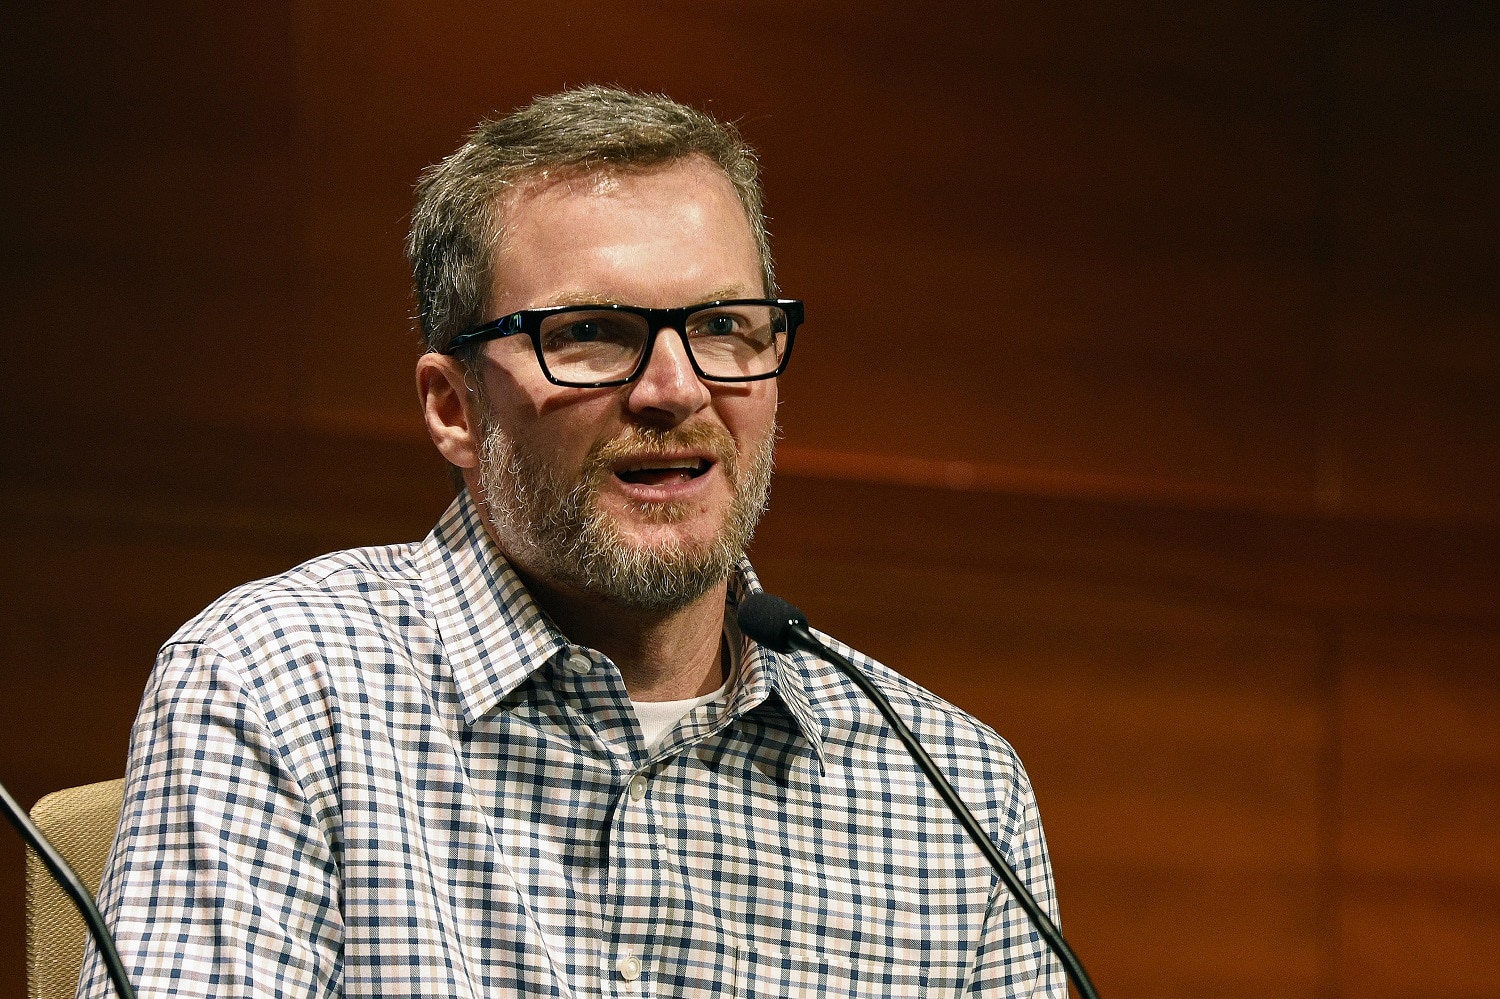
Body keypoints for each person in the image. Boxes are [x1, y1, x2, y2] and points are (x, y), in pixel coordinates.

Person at [81, 87, 1065, 998]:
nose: (676, 389)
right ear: (454, 406)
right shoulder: (281, 685)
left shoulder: (954, 793)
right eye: (592, 331)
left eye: (725, 325)